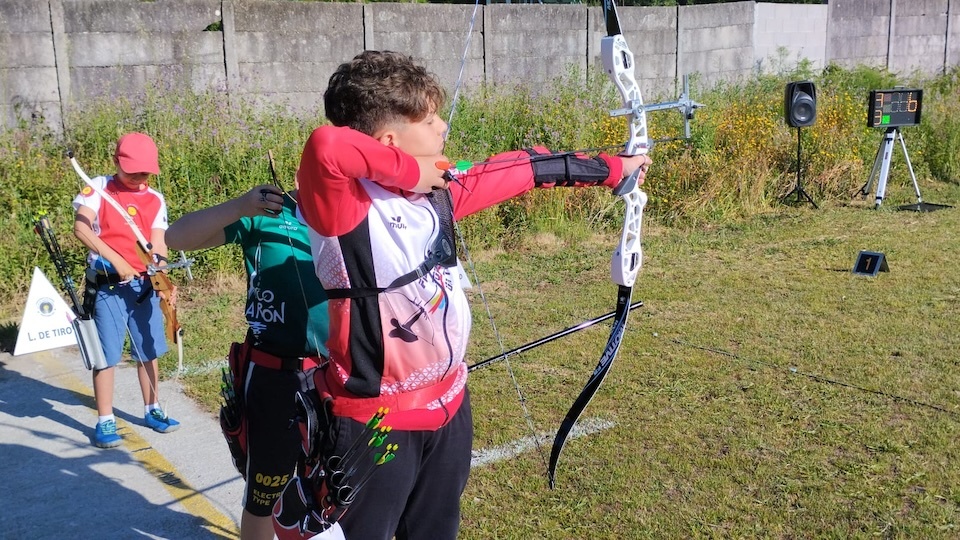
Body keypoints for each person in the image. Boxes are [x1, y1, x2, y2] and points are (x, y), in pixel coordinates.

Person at [288, 50, 651, 540]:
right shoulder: (342, 205)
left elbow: (518, 169)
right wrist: (411, 173)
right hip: (376, 422)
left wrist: (615, 168)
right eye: (429, 118)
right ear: (388, 141)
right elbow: (326, 144)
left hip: (450, 405)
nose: (442, 126)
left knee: (437, 530)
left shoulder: (440, 188)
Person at [166, 180, 330, 540]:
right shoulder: (265, 213)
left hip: (334, 376)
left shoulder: (354, 214)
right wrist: (240, 205)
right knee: (265, 494)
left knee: (329, 487)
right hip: (274, 376)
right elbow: (175, 238)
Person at [72, 132, 180, 449]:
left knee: (149, 347)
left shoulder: (156, 199)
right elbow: (80, 227)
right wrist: (117, 260)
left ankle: (153, 408)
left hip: (143, 284)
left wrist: (162, 280)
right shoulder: (98, 188)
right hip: (107, 285)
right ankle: (105, 419)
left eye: (144, 172)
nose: (138, 177)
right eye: (131, 170)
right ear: (116, 162)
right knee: (106, 354)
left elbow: (158, 242)